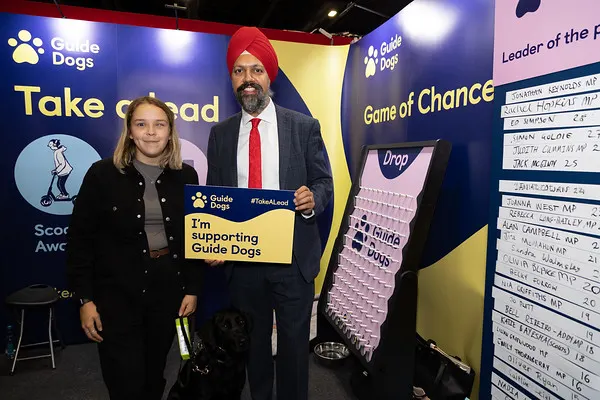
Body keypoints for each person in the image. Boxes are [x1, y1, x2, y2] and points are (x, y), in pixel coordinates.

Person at [205, 26, 333, 400]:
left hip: (293, 258)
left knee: (295, 346)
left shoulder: (303, 127)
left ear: (269, 76)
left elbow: (324, 182)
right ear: (232, 78)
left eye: (256, 70)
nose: (248, 79)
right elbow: (216, 197)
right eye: (239, 71)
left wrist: (314, 200)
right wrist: (214, 237)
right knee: (253, 344)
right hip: (243, 259)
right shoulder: (221, 134)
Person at [66, 96, 202, 400]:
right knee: (124, 380)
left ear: (170, 132)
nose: (151, 132)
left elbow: (193, 239)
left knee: (155, 375)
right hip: (116, 296)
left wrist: (192, 289)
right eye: (141, 124)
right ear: (129, 131)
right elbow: (79, 242)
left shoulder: (187, 177)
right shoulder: (101, 175)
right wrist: (85, 300)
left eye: (159, 125)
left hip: (167, 293)